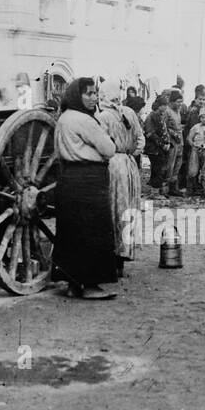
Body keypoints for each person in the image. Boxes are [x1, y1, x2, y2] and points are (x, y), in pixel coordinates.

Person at [52, 78, 119, 299]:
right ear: (76, 96)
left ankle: (73, 284)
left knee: (72, 231)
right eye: (88, 94)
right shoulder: (85, 120)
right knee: (93, 231)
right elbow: (108, 149)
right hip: (89, 179)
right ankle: (90, 285)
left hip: (69, 178)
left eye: (95, 94)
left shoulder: (63, 118)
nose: (93, 98)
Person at [96, 88, 146, 276]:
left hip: (112, 164)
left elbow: (100, 143)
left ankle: (112, 257)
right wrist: (132, 154)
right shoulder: (129, 113)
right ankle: (123, 256)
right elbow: (141, 139)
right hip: (128, 163)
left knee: (114, 208)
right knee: (128, 208)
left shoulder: (103, 117)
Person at [144, 92, 174, 191]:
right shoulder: (152, 116)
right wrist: (162, 144)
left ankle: (156, 190)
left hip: (159, 147)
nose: (165, 107)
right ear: (158, 105)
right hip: (155, 148)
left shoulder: (160, 115)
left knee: (158, 168)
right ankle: (155, 192)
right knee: (158, 170)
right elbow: (150, 133)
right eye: (163, 105)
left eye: (166, 105)